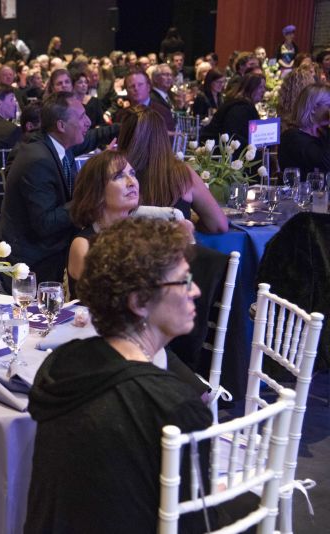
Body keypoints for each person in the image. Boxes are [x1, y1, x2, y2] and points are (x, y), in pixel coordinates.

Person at [26, 217, 254, 533]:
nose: (197, 291)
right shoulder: (171, 406)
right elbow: (192, 525)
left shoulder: (62, 366)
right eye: (184, 281)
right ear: (139, 302)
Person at [0, 93, 92, 283]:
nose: (88, 122)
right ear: (61, 126)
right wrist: (87, 200)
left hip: (47, 252)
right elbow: (45, 223)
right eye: (81, 117)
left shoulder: (61, 148)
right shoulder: (38, 159)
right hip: (27, 263)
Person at [118, 107, 228, 234]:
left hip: (124, 250)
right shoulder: (181, 173)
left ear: (123, 137)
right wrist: (191, 224)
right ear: (163, 136)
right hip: (175, 251)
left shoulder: (113, 174)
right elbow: (219, 225)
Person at [67, 151, 139, 297]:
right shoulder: (83, 245)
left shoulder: (142, 233)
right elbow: (107, 302)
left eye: (132, 173)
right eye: (118, 176)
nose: (131, 182)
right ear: (97, 190)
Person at [278, 83, 330, 178]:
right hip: (300, 191)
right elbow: (324, 162)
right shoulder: (292, 137)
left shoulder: (322, 132)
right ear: (314, 108)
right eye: (328, 106)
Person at [201, 73, 265, 148]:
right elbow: (233, 136)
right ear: (250, 88)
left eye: (264, 87)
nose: (263, 90)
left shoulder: (240, 103)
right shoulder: (240, 108)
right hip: (217, 151)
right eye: (260, 87)